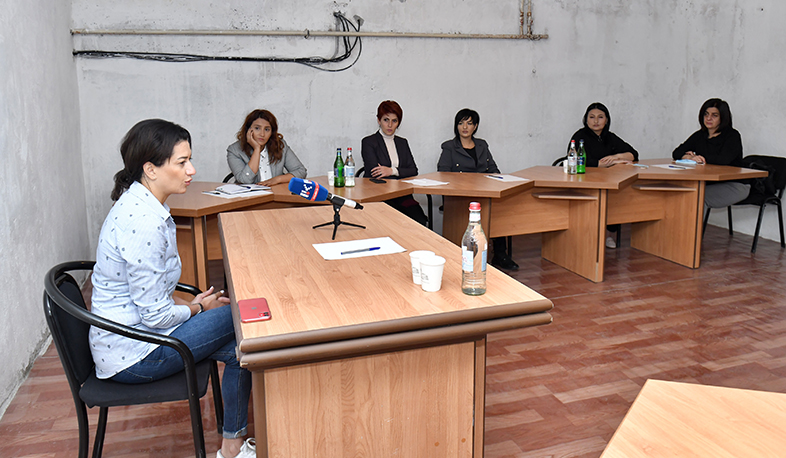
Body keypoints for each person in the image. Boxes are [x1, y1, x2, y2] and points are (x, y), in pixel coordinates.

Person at [91, 119, 255, 458]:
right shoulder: (143, 222)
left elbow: (153, 297)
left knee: (245, 348)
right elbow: (154, 316)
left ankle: (232, 447)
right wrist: (197, 309)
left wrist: (194, 305)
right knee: (244, 313)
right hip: (136, 354)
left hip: (134, 337)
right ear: (150, 169)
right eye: (182, 162)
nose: (192, 169)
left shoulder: (147, 205)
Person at [437, 108, 517, 270]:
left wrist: (498, 179)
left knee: (499, 210)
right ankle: (468, 255)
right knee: (482, 211)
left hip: (483, 194)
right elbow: (443, 173)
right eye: (461, 123)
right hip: (460, 197)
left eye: (469, 123)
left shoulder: (482, 145)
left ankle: (500, 254)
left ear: (476, 126)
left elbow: (493, 168)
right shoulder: (449, 147)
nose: (464, 127)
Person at [570, 102, 640, 248]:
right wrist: (600, 164)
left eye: (600, 117)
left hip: (608, 182)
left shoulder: (610, 137)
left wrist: (617, 157)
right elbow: (574, 159)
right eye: (592, 117)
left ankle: (608, 235)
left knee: (618, 198)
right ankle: (587, 236)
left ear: (606, 120)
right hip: (584, 181)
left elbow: (633, 154)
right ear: (586, 119)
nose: (596, 121)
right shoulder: (579, 136)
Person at [360, 100, 428, 226]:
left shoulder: (402, 143)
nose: (390, 125)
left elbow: (413, 170)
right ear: (378, 120)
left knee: (419, 221)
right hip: (378, 195)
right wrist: (401, 172)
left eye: (394, 121)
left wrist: (391, 171)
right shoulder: (369, 142)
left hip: (402, 195)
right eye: (386, 120)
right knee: (391, 223)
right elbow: (374, 172)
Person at [672, 98, 748, 209]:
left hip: (736, 185)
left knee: (696, 197)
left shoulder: (732, 135)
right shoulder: (700, 135)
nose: (708, 118)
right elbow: (676, 152)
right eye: (706, 114)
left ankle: (693, 227)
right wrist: (687, 157)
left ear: (723, 117)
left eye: (714, 115)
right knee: (679, 193)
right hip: (711, 183)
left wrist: (698, 157)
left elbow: (723, 160)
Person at [227, 109, 307, 186]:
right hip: (249, 198)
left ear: (272, 132)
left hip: (276, 194)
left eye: (267, 129)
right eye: (257, 128)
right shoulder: (234, 150)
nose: (262, 134)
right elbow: (245, 180)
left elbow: (301, 171)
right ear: (248, 130)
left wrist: (276, 180)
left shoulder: (280, 145)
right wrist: (257, 149)